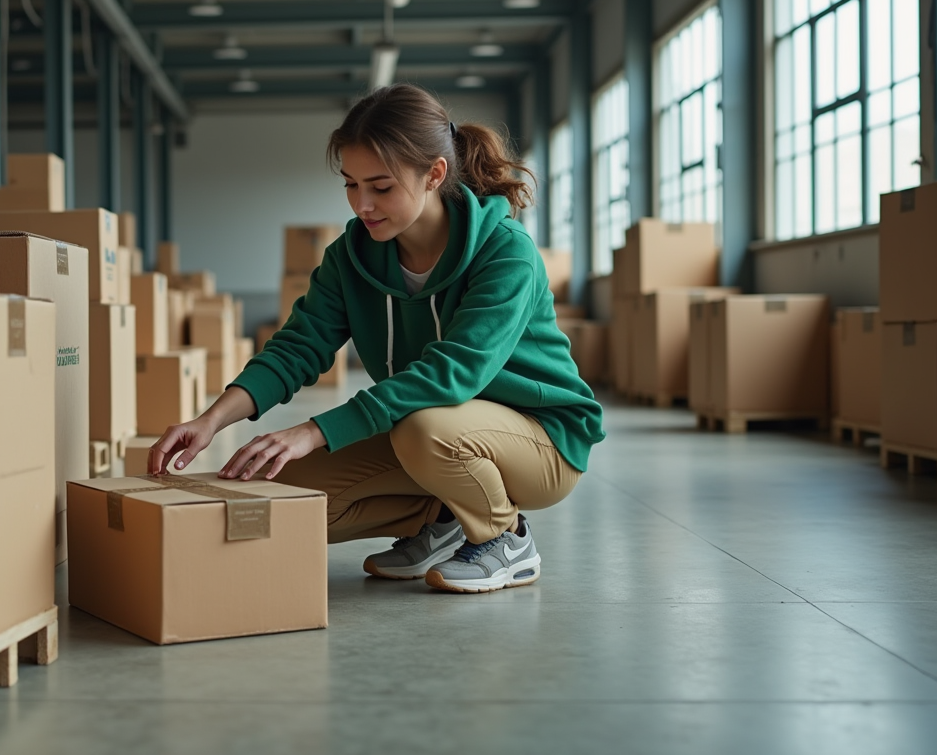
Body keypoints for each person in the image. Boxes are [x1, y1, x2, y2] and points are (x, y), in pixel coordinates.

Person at [149, 84, 605, 594]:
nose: (362, 204)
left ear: (434, 174)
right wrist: (211, 420)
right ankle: (441, 519)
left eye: (381, 187)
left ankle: (505, 535)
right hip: (429, 428)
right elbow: (298, 346)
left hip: (540, 442)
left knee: (425, 429)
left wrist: (315, 431)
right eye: (350, 184)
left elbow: (453, 373)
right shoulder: (352, 256)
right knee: (282, 497)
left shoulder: (505, 251)